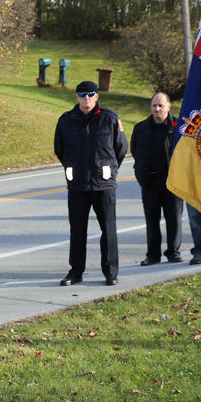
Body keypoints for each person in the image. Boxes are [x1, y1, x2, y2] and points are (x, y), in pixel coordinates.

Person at [54, 80, 128, 286]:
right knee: (77, 231)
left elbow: (121, 148)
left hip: (103, 185)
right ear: (76, 97)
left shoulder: (109, 119)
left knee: (109, 230)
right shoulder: (66, 121)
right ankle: (76, 272)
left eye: (90, 93)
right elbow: (60, 149)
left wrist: (109, 170)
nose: (86, 97)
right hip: (77, 185)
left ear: (97, 96)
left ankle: (110, 272)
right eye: (82, 94)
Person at [130, 92, 183, 266]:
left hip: (173, 181)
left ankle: (173, 252)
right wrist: (140, 174)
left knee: (173, 218)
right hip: (150, 181)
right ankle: (153, 255)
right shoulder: (141, 128)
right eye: (154, 105)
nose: (157, 109)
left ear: (169, 107)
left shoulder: (179, 127)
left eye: (160, 105)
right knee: (152, 220)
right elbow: (136, 151)